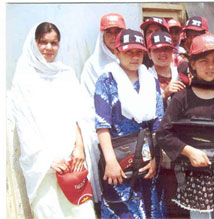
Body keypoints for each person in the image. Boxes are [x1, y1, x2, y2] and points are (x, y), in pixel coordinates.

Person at [10, 22, 96, 218]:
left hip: (73, 163)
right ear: (34, 44)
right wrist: (48, 160)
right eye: (43, 42)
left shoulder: (66, 74)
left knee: (83, 213)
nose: (48, 48)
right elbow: (25, 127)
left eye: (54, 43)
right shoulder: (23, 80)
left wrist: (79, 148)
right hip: (44, 168)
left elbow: (78, 115)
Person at [156, 33, 214, 218]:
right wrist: (189, 151)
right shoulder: (181, 98)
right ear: (193, 64)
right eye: (204, 61)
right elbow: (163, 134)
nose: (210, 67)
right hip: (194, 174)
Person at [94, 28, 164, 218]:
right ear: (116, 52)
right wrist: (110, 161)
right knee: (124, 211)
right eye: (128, 52)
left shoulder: (151, 81)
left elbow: (158, 123)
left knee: (150, 210)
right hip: (119, 162)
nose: (134, 57)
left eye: (138, 52)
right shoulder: (107, 81)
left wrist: (156, 158)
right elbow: (102, 125)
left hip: (146, 162)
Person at [79, 13, 126, 211]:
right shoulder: (93, 65)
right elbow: (88, 102)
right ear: (102, 35)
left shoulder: (132, 57)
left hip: (130, 134)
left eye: (118, 32)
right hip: (104, 131)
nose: (113, 36)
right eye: (109, 32)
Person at [146, 30, 188, 218]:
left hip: (182, 143)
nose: (162, 54)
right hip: (156, 146)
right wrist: (163, 95)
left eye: (166, 49)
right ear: (149, 54)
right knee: (165, 192)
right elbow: (142, 113)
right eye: (157, 50)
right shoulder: (145, 77)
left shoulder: (182, 74)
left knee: (184, 191)